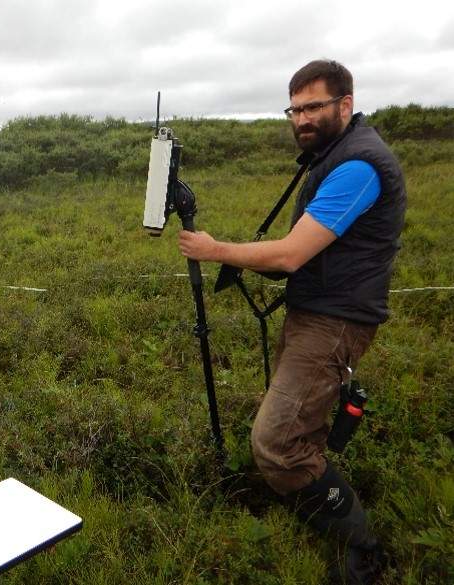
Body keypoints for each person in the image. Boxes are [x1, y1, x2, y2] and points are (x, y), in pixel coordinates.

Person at [178, 60, 406, 584]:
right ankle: (310, 496)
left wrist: (215, 250)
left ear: (345, 105)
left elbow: (290, 254)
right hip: (316, 312)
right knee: (299, 427)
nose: (301, 119)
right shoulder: (333, 155)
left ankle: (363, 548)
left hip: (335, 321)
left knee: (277, 442)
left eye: (313, 107)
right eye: (294, 109)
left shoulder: (358, 165)